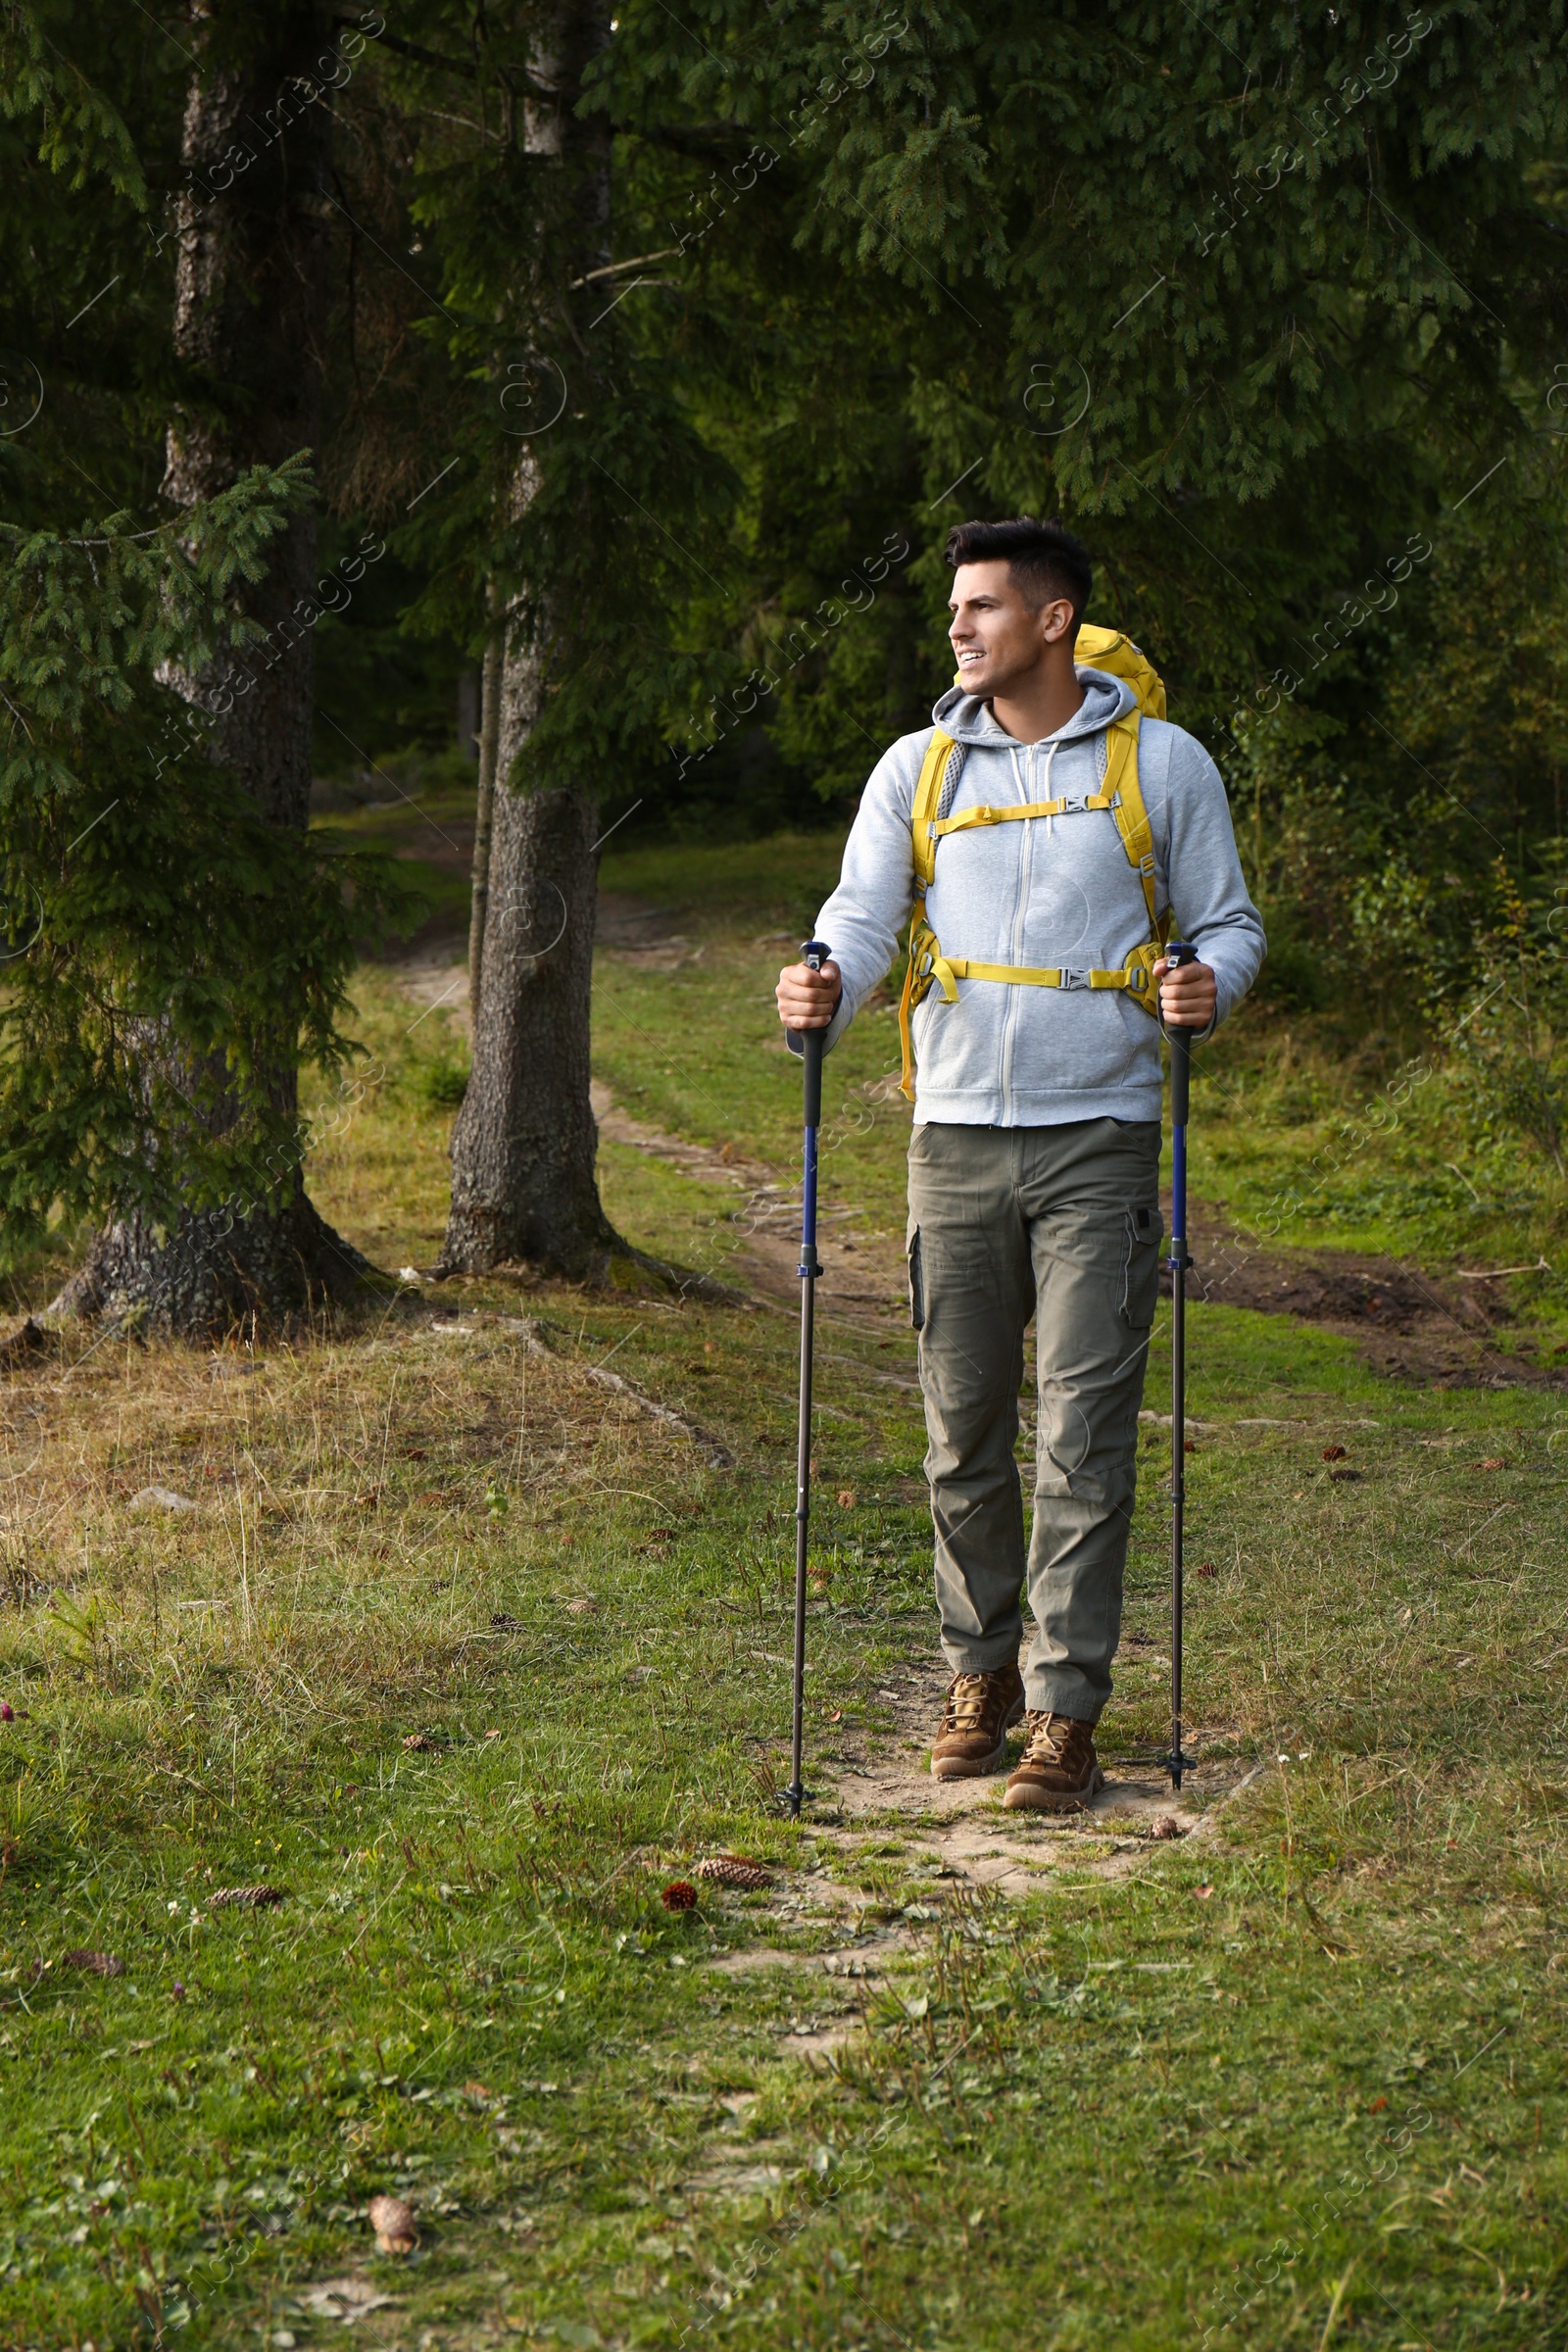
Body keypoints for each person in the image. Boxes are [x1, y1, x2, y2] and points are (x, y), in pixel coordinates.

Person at [775, 515, 1264, 1810]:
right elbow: (862, 916)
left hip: (1102, 1136)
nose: (959, 629)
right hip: (952, 1143)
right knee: (961, 1431)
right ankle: (976, 1674)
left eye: (983, 607)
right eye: (955, 610)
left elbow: (1227, 920)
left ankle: (1063, 1711)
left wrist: (1210, 986)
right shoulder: (918, 770)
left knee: (1086, 1434)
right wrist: (820, 982)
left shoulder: (1163, 766)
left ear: (1053, 619)